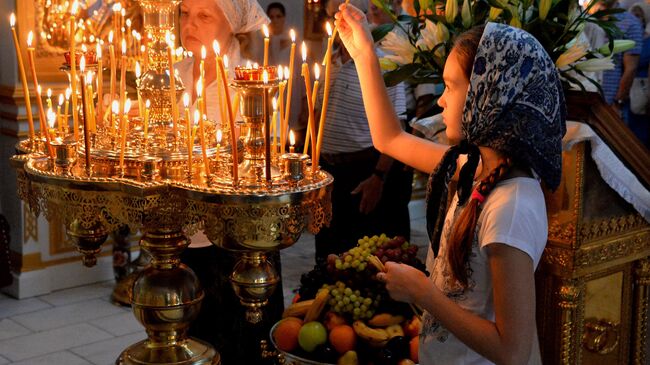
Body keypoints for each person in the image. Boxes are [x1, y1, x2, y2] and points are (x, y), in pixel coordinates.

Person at [335, 4, 566, 364]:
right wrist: (365, 52)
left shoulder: (512, 205)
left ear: (488, 97)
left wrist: (424, 293)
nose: (441, 99)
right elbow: (390, 139)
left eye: (451, 87)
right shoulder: (471, 169)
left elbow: (513, 350)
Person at [176, 1, 284, 364]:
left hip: (243, 241)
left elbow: (272, 162)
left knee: (244, 347)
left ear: (233, 25)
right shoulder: (170, 78)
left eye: (204, 16)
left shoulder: (254, 82)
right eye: (184, 12)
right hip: (181, 234)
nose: (190, 24)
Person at [314, 0, 413, 262]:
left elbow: (397, 124)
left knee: (364, 255)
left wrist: (378, 177)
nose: (341, 23)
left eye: (346, 16)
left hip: (364, 170)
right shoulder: (329, 59)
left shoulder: (384, 62)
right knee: (330, 254)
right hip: (328, 171)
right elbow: (317, 111)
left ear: (363, 18)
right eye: (335, 16)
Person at [629, 2, 650, 146]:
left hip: (643, 88)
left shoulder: (649, 40)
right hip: (628, 87)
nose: (637, 18)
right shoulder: (630, 38)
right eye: (634, 15)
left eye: (639, 15)